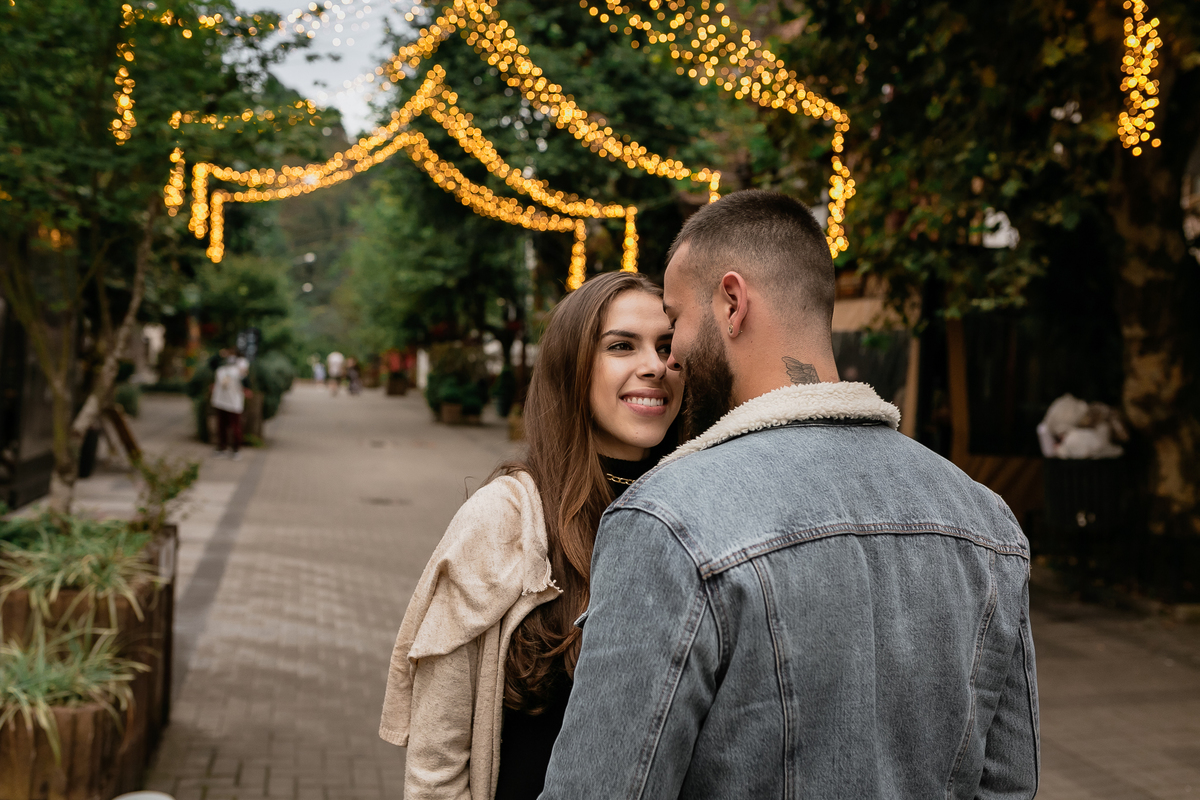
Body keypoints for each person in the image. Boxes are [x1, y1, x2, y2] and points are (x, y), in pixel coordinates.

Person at [540, 191, 1039, 799]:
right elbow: (1008, 785)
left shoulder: (669, 519)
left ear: (731, 302)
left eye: (675, 323)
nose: (669, 356)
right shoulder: (987, 520)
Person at [379, 272, 683, 800]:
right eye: (621, 346)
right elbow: (437, 759)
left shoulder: (697, 509)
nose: (654, 366)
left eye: (667, 347)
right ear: (572, 368)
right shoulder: (505, 519)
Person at [210, 349, 245, 461]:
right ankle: (227, 448)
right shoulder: (225, 370)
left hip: (228, 402)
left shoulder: (230, 370)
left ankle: (230, 449)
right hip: (226, 402)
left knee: (229, 427)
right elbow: (212, 363)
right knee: (226, 426)